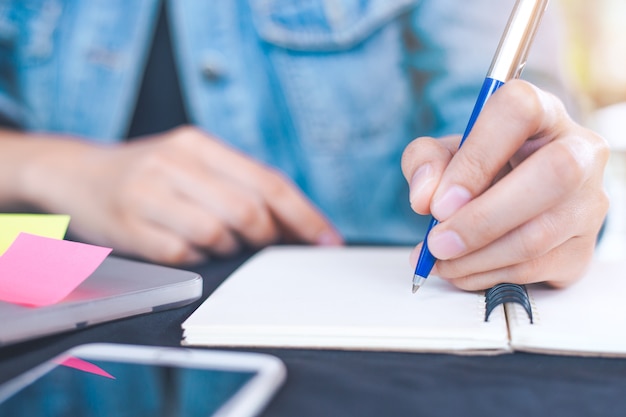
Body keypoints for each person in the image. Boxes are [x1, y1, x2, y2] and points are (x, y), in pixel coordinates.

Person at [0, 0, 608, 290]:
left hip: (372, 362)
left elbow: (514, 114)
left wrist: (541, 184)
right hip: (49, 312)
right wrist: (55, 168)